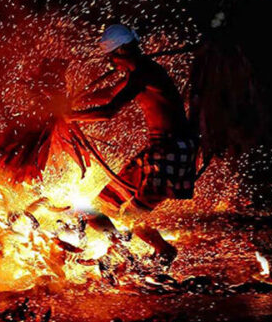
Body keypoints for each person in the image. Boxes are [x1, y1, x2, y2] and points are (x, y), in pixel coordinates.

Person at [68, 24, 197, 265]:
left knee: (132, 217)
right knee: (98, 208)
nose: (113, 64)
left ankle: (164, 252)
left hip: (173, 152)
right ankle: (119, 249)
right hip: (157, 153)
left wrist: (70, 117)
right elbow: (108, 94)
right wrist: (73, 101)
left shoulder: (145, 73)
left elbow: (109, 111)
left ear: (123, 51)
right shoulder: (137, 75)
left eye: (112, 57)